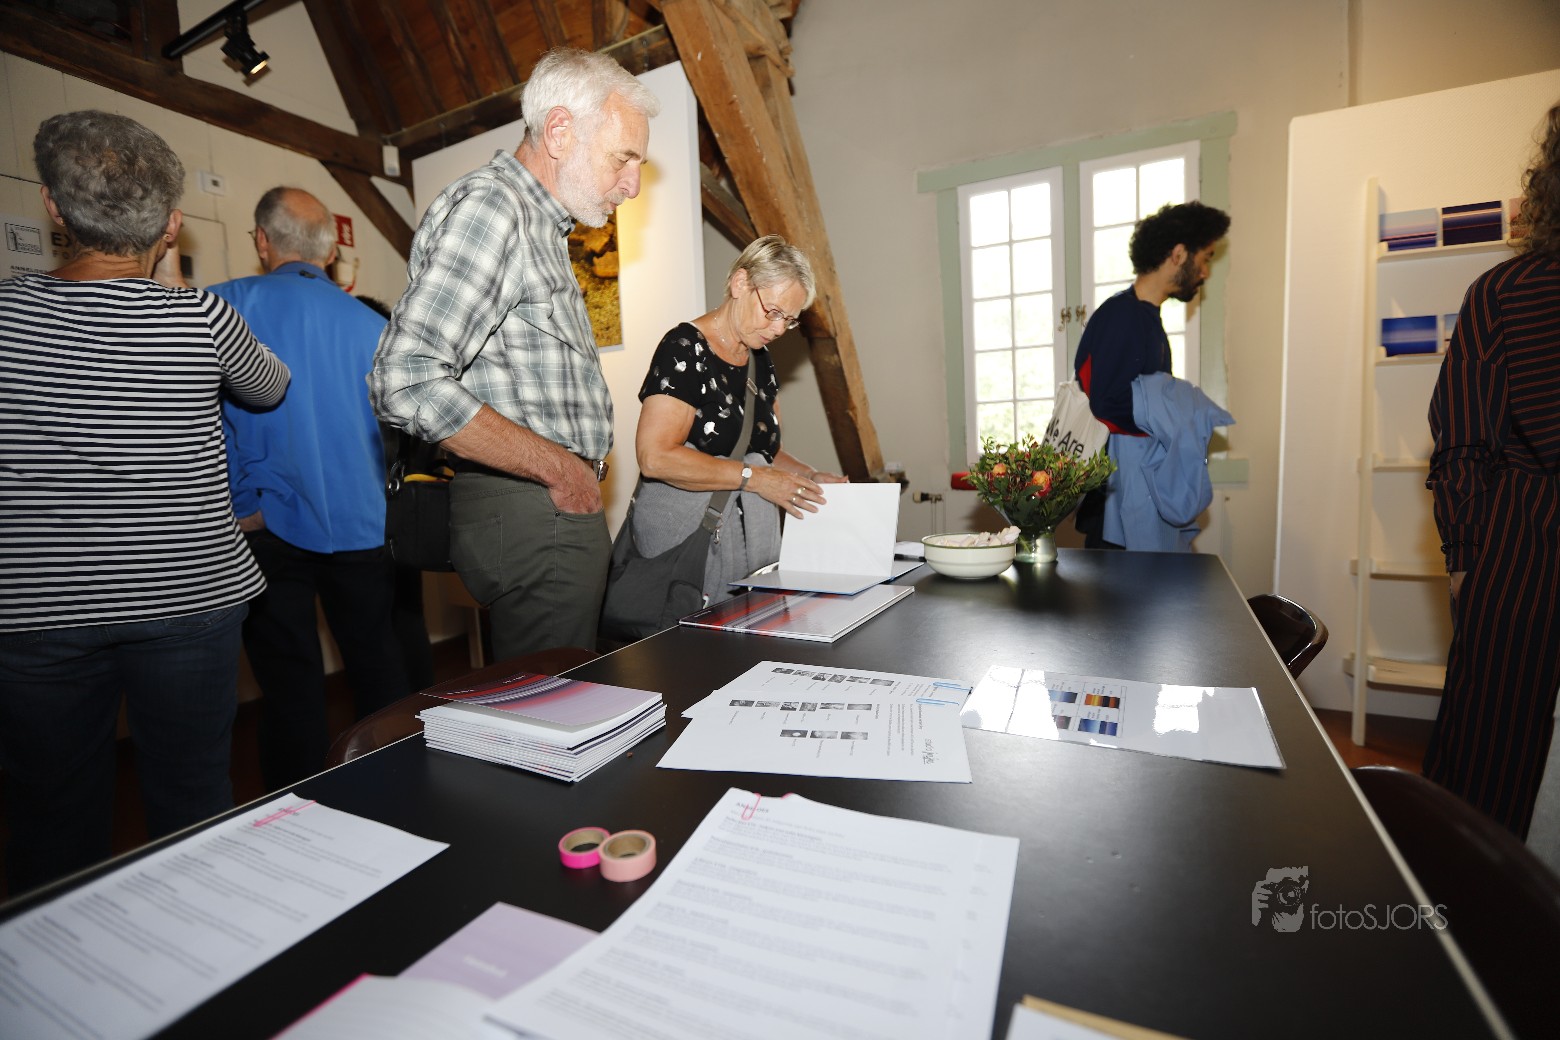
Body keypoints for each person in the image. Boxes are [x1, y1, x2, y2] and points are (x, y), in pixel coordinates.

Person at [0, 111, 289, 895]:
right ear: (170, 225)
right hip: (187, 596)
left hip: (37, 608)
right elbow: (270, 387)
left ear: (54, 209)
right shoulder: (199, 316)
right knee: (192, 798)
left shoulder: (6, 315)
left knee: (50, 816)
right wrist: (174, 293)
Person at [371, 47, 660, 660]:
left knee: (556, 695)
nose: (632, 184)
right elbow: (406, 378)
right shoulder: (495, 207)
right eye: (623, 157)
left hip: (540, 508)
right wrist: (561, 470)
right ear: (559, 131)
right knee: (550, 705)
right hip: (534, 507)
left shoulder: (537, 223)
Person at [210, 188, 411, 791]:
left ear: (262, 241)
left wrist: (242, 506)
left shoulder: (220, 306)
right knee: (377, 664)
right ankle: (402, 786)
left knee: (288, 683)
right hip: (362, 520)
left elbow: (200, 421)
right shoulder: (375, 325)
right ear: (328, 252)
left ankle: (297, 806)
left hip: (265, 523)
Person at [1423, 101, 1560, 839]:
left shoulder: (1504, 292)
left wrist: (1465, 556)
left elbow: (1465, 441)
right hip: (1524, 533)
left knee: (1490, 755)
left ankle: (1466, 896)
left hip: (1524, 546)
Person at [627, 235, 847, 607]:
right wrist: (755, 479)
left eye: (789, 320)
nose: (778, 329)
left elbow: (763, 453)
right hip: (688, 548)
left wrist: (809, 478)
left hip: (750, 548)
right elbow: (656, 457)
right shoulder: (685, 348)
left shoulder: (760, 358)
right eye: (772, 312)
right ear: (740, 283)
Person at [1074, 200, 1231, 549]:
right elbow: (1107, 404)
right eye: (1205, 258)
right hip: (1116, 510)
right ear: (1178, 254)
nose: (1205, 272)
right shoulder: (1123, 317)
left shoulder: (1143, 318)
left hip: (1127, 496)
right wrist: (1180, 411)